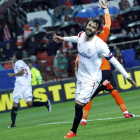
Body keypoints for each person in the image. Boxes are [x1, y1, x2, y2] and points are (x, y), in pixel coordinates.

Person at [53, 0, 137, 138]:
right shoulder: (81, 35)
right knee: (80, 102)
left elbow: (114, 59)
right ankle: (101, 94)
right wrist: (63, 39)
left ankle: (74, 130)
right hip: (82, 76)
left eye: (93, 26)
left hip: (95, 75)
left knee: (81, 103)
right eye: (89, 24)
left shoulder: (100, 42)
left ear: (97, 30)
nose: (90, 27)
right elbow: (76, 38)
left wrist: (126, 76)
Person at [75, 1, 133, 125]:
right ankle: (125, 112)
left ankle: (84, 119)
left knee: (88, 96)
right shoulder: (102, 37)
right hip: (105, 70)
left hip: (92, 73)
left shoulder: (83, 43)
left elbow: (78, 61)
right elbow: (108, 23)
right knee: (114, 92)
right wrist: (105, 9)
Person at [7, 51, 51, 128]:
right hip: (27, 85)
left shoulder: (17, 63)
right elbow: (30, 75)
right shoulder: (25, 64)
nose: (13, 57)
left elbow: (22, 71)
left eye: (14, 56)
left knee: (15, 103)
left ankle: (13, 124)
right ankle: (45, 103)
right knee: (29, 104)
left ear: (16, 57)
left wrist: (12, 74)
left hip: (21, 85)